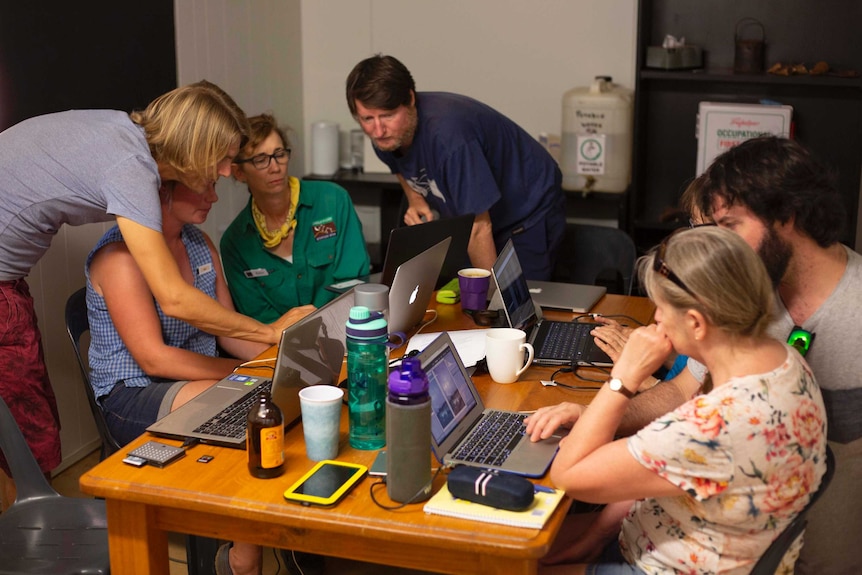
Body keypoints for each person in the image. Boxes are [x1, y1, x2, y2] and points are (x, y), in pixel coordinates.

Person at [531, 136, 861, 575]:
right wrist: (596, 413)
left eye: (728, 226)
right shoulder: (765, 334)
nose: (716, 246)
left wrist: (622, 380)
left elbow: (694, 437)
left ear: (786, 216)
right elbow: (686, 398)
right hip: (724, 535)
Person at [0, 81, 303, 509]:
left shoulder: (133, 151)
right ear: (193, 151)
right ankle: (28, 541)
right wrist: (268, 337)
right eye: (220, 160)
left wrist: (281, 351)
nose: (222, 176)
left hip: (9, 284)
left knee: (31, 438)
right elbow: (174, 304)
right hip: (118, 376)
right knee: (21, 447)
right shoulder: (132, 168)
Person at [86, 180, 270, 575]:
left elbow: (228, 332)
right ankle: (242, 558)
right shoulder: (119, 257)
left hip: (199, 381)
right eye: (203, 186)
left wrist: (278, 361)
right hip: (134, 392)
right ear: (164, 189)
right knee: (252, 405)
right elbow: (155, 360)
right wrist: (246, 373)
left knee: (276, 394)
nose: (215, 196)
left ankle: (264, 540)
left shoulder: (199, 241)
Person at [345, 54, 566, 279]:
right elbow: (399, 166)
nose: (378, 130)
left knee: (517, 302)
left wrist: (491, 302)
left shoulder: (450, 140)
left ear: (410, 99)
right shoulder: (386, 137)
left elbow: (478, 230)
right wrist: (415, 198)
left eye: (388, 115)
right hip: (477, 221)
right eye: (367, 119)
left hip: (528, 211)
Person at [220, 113, 370, 322]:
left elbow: (354, 281)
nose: (275, 167)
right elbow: (257, 318)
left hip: (345, 326)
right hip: (281, 345)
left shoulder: (333, 200)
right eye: (261, 160)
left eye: (279, 154)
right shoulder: (234, 242)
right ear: (239, 173)